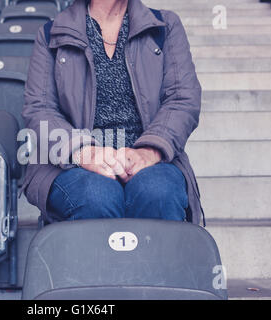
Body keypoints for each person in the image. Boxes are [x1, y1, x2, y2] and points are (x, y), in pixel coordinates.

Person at [21, 0, 204, 225]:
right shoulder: (52, 33)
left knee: (158, 191)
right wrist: (84, 152)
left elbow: (182, 98)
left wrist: (149, 151)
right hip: (74, 164)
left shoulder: (165, 26)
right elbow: (40, 109)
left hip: (150, 160)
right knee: (96, 196)